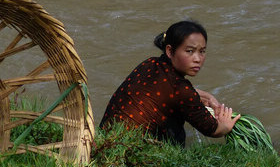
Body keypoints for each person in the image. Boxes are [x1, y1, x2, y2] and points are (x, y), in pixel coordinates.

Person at [100, 21, 239, 146]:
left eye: (202, 51)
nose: (197, 59)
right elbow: (212, 129)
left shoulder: (150, 63)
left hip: (104, 142)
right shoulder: (181, 90)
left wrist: (207, 97)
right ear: (170, 51)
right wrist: (225, 126)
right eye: (189, 51)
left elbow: (168, 91)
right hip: (131, 154)